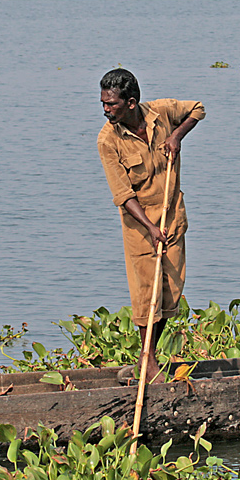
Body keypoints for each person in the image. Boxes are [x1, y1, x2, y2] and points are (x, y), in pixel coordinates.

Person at [96, 68, 205, 383]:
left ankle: (147, 357)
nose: (105, 109)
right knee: (147, 294)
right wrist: (150, 228)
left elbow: (198, 108)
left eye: (111, 104)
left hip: (172, 216)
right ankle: (149, 361)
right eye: (103, 103)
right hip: (139, 224)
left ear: (130, 103)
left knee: (169, 292)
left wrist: (176, 135)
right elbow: (123, 195)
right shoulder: (108, 140)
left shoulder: (160, 112)